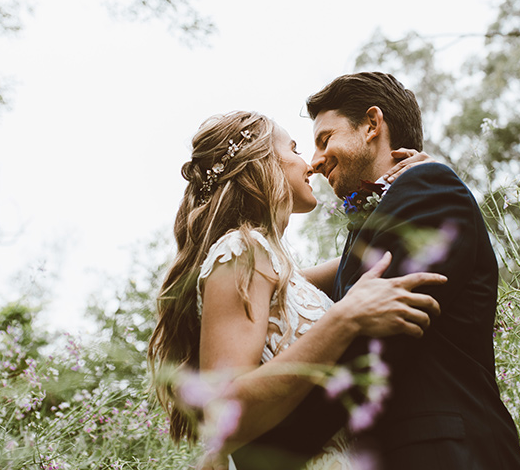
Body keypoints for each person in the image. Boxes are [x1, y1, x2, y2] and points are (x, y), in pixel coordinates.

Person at [236, 73, 520, 469]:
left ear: (372, 125)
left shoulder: (431, 189)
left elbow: (369, 350)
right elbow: (287, 286)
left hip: (445, 454)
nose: (316, 162)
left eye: (325, 140)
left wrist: (264, 450)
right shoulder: (376, 225)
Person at [147, 111, 446, 469]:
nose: (311, 165)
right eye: (295, 148)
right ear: (263, 162)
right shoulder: (240, 251)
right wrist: (344, 319)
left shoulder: (276, 269)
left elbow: (381, 260)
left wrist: (418, 182)